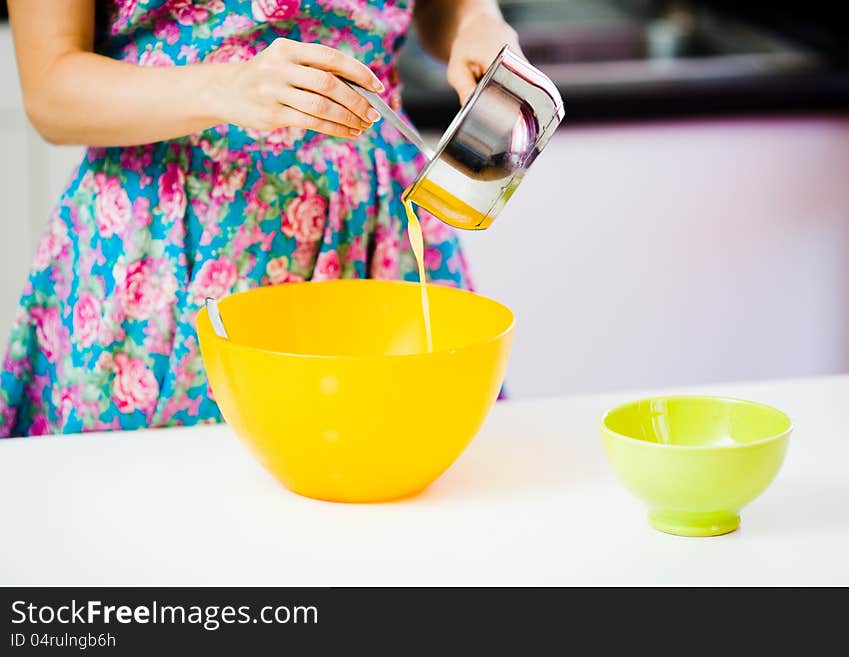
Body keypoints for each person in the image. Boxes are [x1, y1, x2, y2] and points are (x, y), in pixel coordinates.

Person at [0, 0, 520, 437]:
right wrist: (225, 88)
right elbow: (49, 88)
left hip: (377, 226)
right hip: (171, 245)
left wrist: (474, 23)